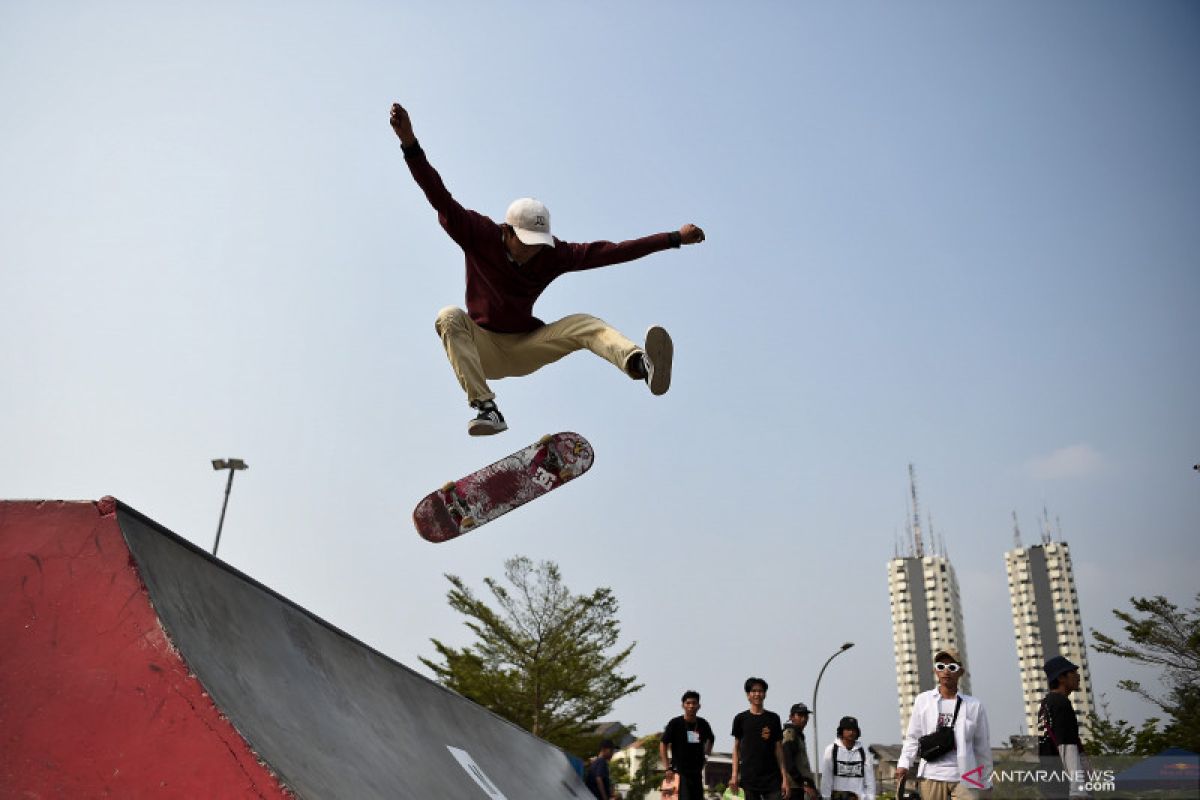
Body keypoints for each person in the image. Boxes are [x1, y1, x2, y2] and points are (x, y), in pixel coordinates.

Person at [389, 102, 706, 436]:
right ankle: (486, 408)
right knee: (449, 316)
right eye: (525, 243)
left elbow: (612, 252)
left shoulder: (553, 254)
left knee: (585, 324)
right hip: (482, 349)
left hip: (527, 345)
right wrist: (410, 143)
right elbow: (438, 195)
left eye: (538, 244)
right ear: (507, 231)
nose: (532, 251)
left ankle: (641, 364)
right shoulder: (478, 233)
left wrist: (673, 238)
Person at [895, 649, 992, 799]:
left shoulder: (974, 705)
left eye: (952, 667)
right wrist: (904, 764)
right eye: (941, 666)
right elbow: (913, 737)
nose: (946, 671)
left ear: (960, 672)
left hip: (965, 776)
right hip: (932, 773)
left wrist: (986, 780)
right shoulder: (924, 700)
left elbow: (982, 747)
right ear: (935, 671)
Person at [1037, 655, 1090, 799]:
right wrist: (1078, 789)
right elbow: (1067, 746)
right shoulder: (1060, 703)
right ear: (1061, 678)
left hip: (1051, 781)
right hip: (1064, 786)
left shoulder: (1046, 704)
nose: (1078, 676)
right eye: (1073, 672)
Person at [730, 677, 790, 800]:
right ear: (748, 695)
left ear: (765, 694)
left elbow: (778, 749)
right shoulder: (740, 719)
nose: (757, 694)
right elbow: (736, 749)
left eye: (760, 691)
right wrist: (734, 775)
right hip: (749, 779)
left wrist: (784, 778)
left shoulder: (773, 718)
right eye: (754, 691)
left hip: (772, 779)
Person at [660, 690, 715, 800]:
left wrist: (706, 756)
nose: (691, 706)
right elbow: (663, 743)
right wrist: (667, 768)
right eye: (688, 703)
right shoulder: (675, 723)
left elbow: (711, 739)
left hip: (696, 773)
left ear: (699, 706)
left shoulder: (703, 724)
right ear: (683, 705)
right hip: (679, 772)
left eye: (694, 703)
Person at [818, 716, 876, 800]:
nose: (851, 732)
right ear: (841, 731)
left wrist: (870, 798)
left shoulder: (864, 753)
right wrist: (825, 797)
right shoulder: (831, 750)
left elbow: (870, 781)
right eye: (848, 729)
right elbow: (826, 778)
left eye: (854, 730)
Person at [781, 702, 819, 798]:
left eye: (806, 715)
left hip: (799, 786)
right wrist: (803, 784)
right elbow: (788, 760)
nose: (804, 718)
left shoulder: (798, 735)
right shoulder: (790, 733)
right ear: (791, 717)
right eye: (800, 715)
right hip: (792, 787)